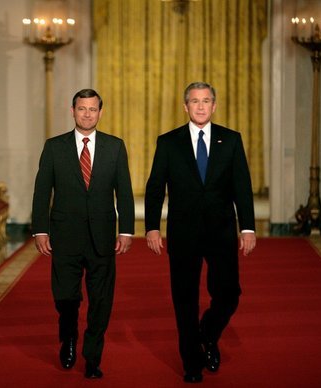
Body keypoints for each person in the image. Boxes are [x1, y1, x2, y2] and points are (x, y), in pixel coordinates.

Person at [144, 82, 256, 383]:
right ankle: (192, 364)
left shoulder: (231, 140)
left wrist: (247, 228)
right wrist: (152, 227)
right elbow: (155, 188)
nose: (201, 106)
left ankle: (206, 333)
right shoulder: (168, 142)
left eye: (206, 101)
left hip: (221, 231)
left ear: (214, 105)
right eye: (195, 101)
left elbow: (242, 187)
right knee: (185, 299)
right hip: (183, 232)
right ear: (185, 106)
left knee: (229, 294)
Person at [31, 88, 135, 379]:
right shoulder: (54, 147)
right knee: (65, 297)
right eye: (82, 109)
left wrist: (126, 230)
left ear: (100, 113)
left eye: (92, 109)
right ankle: (69, 337)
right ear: (72, 111)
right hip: (65, 236)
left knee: (101, 300)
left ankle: (92, 357)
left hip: (103, 237)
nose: (87, 114)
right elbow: (42, 192)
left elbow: (124, 192)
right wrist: (40, 229)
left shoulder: (115, 147)